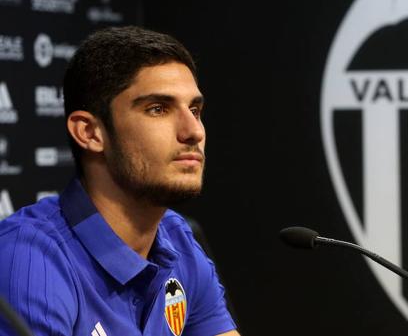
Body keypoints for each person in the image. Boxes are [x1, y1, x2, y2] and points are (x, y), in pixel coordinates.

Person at [0, 26, 240, 336]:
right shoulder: (29, 262)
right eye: (158, 109)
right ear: (89, 132)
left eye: (195, 109)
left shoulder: (177, 239)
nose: (194, 130)